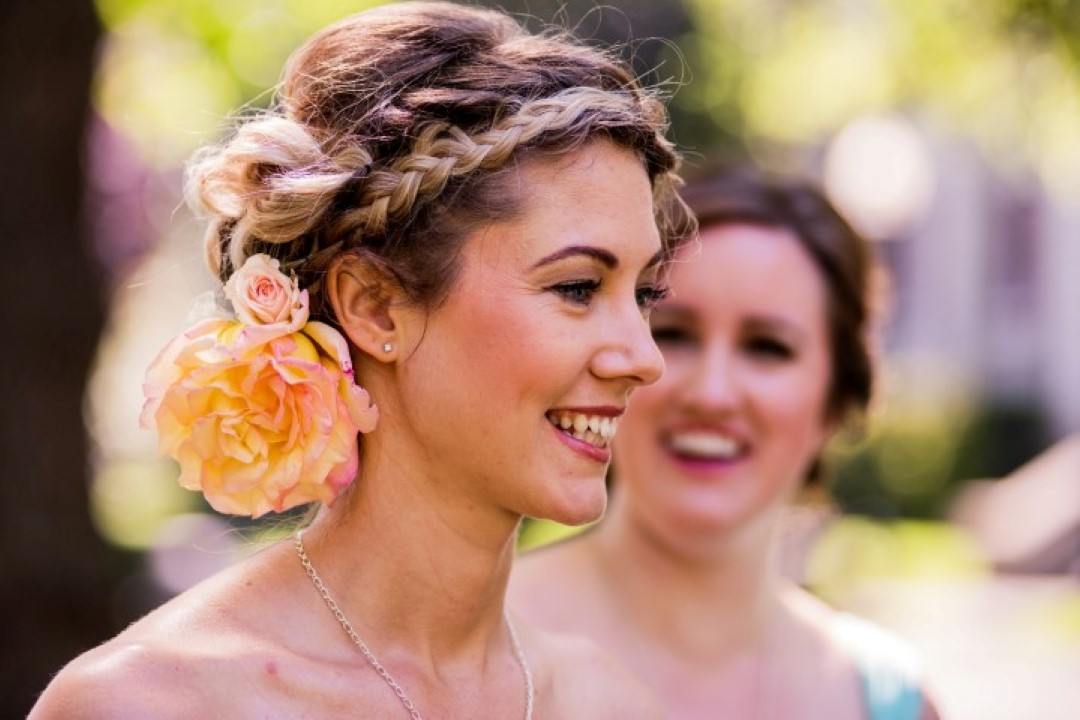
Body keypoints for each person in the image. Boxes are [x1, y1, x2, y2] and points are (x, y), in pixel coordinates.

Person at [30, 3, 693, 717]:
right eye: (578, 288)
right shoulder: (153, 704)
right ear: (374, 307)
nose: (642, 358)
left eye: (646, 293)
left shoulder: (607, 702)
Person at [509, 167, 942, 720]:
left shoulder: (885, 699)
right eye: (674, 333)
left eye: (767, 348)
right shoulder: (467, 648)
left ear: (836, 400)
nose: (712, 394)